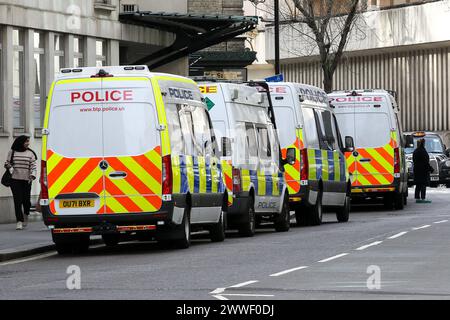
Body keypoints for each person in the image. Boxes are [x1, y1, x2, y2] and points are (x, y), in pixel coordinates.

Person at [4, 136, 37, 230]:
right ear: (20, 142)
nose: (28, 143)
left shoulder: (31, 153)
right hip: (15, 179)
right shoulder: (12, 152)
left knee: (26, 201)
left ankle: (26, 214)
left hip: (27, 180)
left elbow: (33, 166)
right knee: (17, 200)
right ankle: (19, 221)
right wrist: (9, 167)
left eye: (28, 141)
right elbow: (7, 163)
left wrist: (32, 175)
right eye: (26, 141)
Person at [413, 138, 433, 203]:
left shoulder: (415, 151)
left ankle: (417, 198)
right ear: (423, 144)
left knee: (418, 185)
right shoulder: (423, 151)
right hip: (423, 171)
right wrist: (431, 169)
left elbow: (414, 161)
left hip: (416, 170)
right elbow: (426, 162)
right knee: (423, 185)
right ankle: (423, 198)